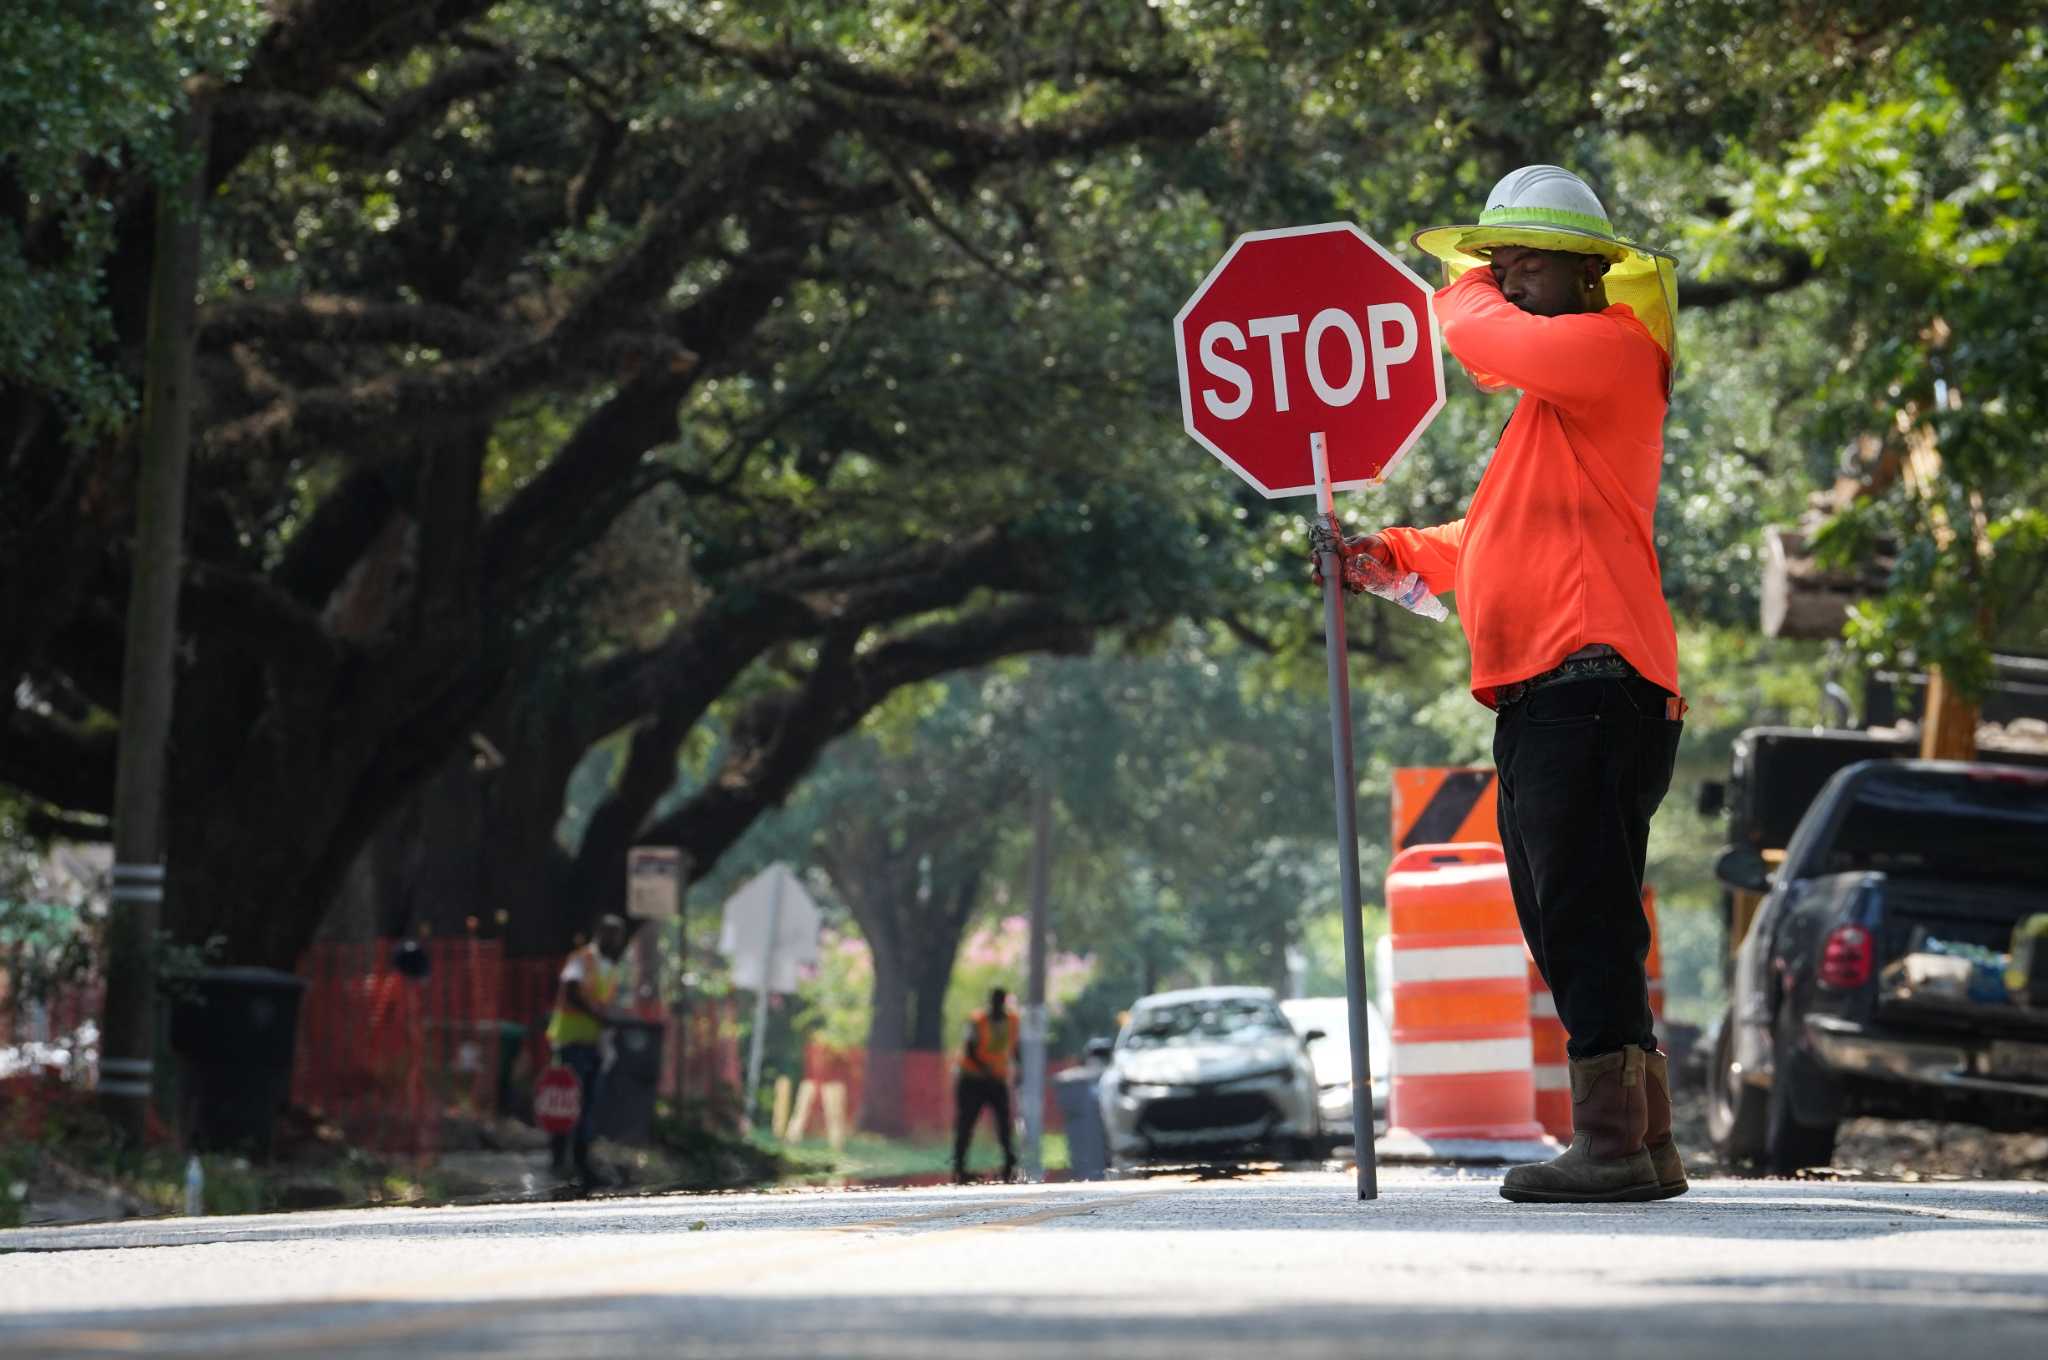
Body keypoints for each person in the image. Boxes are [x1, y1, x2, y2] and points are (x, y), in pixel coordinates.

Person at [1319, 165, 1686, 1204]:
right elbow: (1479, 546)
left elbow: (1487, 337)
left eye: (1522, 260)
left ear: (1586, 275)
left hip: (1586, 683)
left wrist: (1448, 291)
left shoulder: (1617, 353)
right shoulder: (1545, 426)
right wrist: (1381, 551)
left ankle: (1612, 1141)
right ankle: (1642, 1137)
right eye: (1494, 260)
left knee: (1576, 911)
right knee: (1581, 912)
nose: (1502, 278)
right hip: (1562, 692)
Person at [544, 914, 630, 1188]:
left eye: (618, 935)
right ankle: (558, 1160)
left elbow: (608, 1003)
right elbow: (571, 993)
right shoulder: (581, 960)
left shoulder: (612, 968)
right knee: (565, 1101)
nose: (614, 940)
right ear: (599, 933)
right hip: (571, 1043)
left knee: (588, 1104)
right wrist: (599, 1018)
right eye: (610, 934)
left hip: (595, 1045)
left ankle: (581, 1162)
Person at [953, 986, 1019, 1184]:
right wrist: (985, 1068)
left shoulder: (1012, 1021)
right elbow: (970, 1048)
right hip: (972, 1079)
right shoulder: (978, 1020)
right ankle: (959, 1167)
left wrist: (1018, 1068)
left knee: (1004, 1122)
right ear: (991, 1003)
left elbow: (1015, 1047)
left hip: (996, 1079)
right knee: (967, 1122)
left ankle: (1009, 1163)